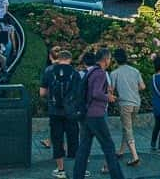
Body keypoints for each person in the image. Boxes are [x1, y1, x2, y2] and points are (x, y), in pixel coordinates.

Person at [72, 49, 124, 179]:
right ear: (106, 59)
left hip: (86, 113)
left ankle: (77, 176)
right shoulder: (100, 73)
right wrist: (108, 97)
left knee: (84, 147)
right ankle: (117, 176)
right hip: (96, 114)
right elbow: (96, 93)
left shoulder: (90, 72)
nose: (110, 61)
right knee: (109, 147)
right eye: (110, 59)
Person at [40, 50, 80, 179]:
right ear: (70, 59)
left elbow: (42, 93)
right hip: (71, 112)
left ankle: (61, 170)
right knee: (73, 139)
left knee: (57, 140)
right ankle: (78, 169)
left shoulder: (49, 71)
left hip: (55, 111)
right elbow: (80, 94)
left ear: (59, 58)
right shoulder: (75, 73)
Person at [108, 48, 145, 167]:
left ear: (115, 59)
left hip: (125, 103)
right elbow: (143, 86)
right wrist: (133, 90)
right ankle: (121, 150)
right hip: (136, 102)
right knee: (127, 127)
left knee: (128, 129)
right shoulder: (135, 71)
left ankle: (135, 156)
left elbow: (111, 90)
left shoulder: (114, 73)